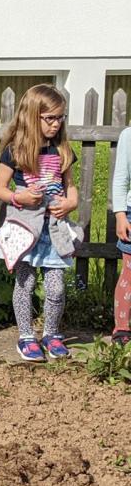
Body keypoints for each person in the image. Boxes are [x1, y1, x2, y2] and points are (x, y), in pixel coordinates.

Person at [0, 84, 79, 361]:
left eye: (60, 118)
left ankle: (52, 334)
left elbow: (71, 186)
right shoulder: (15, 151)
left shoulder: (62, 150)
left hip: (53, 231)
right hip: (26, 230)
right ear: (32, 116)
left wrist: (71, 203)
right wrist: (20, 197)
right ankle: (26, 336)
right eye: (50, 118)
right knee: (26, 283)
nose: (56, 124)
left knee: (56, 287)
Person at [112, 122, 131, 346]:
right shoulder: (128, 135)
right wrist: (120, 214)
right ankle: (122, 329)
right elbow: (121, 178)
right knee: (129, 273)